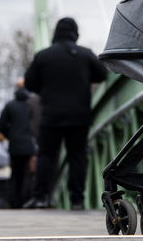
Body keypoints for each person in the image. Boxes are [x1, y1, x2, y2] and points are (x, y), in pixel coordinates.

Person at [22, 17, 108, 210]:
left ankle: (40, 197)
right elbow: (102, 74)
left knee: (46, 155)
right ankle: (77, 200)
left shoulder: (43, 56)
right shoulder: (85, 55)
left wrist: (45, 88)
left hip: (51, 114)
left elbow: (29, 83)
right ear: (75, 33)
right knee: (77, 156)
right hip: (79, 115)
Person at [0, 78, 36, 209]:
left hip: (14, 146)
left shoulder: (10, 105)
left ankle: (15, 202)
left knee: (15, 174)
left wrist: (11, 136)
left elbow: (1, 124)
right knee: (27, 175)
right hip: (29, 145)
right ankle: (26, 199)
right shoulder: (31, 104)